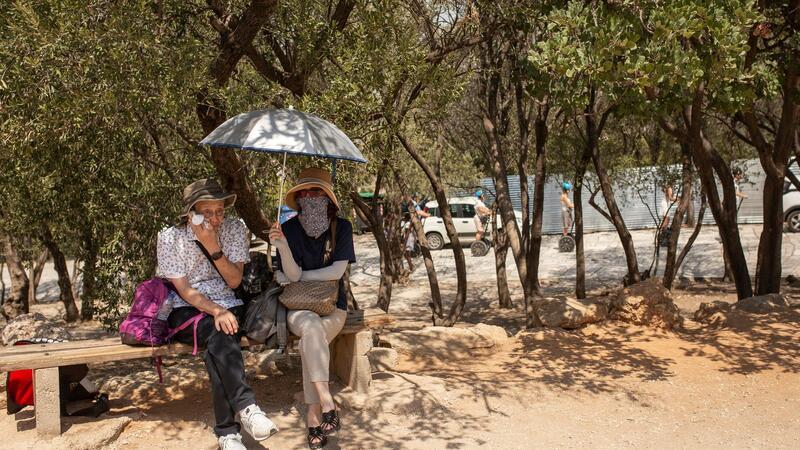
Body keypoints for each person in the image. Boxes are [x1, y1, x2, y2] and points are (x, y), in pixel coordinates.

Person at [157, 178, 278, 450]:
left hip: (228, 302)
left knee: (220, 340)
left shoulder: (235, 229)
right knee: (220, 331)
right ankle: (246, 409)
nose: (215, 218)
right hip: (187, 310)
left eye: (220, 210)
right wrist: (216, 310)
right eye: (207, 212)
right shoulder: (169, 238)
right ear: (191, 213)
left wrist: (212, 245)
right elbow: (185, 290)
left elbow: (235, 281)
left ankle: (227, 433)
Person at [268, 167, 356, 450]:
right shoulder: (290, 229)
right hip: (299, 308)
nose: (309, 196)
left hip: (333, 308)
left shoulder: (341, 227)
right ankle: (326, 401)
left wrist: (302, 275)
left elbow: (337, 271)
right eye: (304, 192)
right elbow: (289, 275)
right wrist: (281, 245)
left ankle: (314, 416)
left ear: (327, 197)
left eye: (316, 191)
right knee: (311, 328)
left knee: (312, 335)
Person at [402, 194, 430, 272]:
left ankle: (411, 267)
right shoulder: (409, 223)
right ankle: (411, 266)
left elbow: (407, 234)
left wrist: (404, 243)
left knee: (407, 254)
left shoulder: (408, 224)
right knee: (407, 254)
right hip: (410, 239)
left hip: (408, 240)